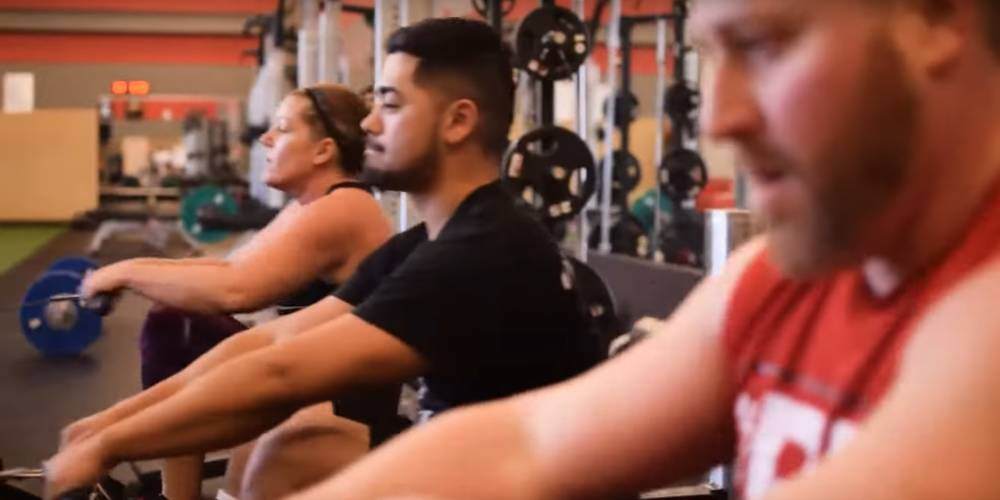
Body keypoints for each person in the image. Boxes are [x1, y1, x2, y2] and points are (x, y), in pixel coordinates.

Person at [286, 0, 1000, 499]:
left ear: (937, 16)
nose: (722, 116)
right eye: (714, 54)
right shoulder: (781, 278)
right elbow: (526, 445)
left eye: (765, 45)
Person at [44, 17, 603, 500]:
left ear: (458, 121)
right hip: (465, 461)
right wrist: (101, 428)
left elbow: (282, 372)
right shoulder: (432, 240)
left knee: (292, 448)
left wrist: (112, 445)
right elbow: (269, 342)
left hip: (511, 484)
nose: (368, 123)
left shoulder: (483, 250)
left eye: (389, 103)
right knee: (280, 441)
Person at [61, 84, 392, 500]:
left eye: (282, 128)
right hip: (304, 377)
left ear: (323, 151)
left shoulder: (343, 207)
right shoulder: (309, 204)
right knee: (178, 318)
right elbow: (225, 268)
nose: (266, 138)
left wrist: (126, 272)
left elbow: (235, 290)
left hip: (342, 408)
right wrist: (129, 273)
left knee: (182, 322)